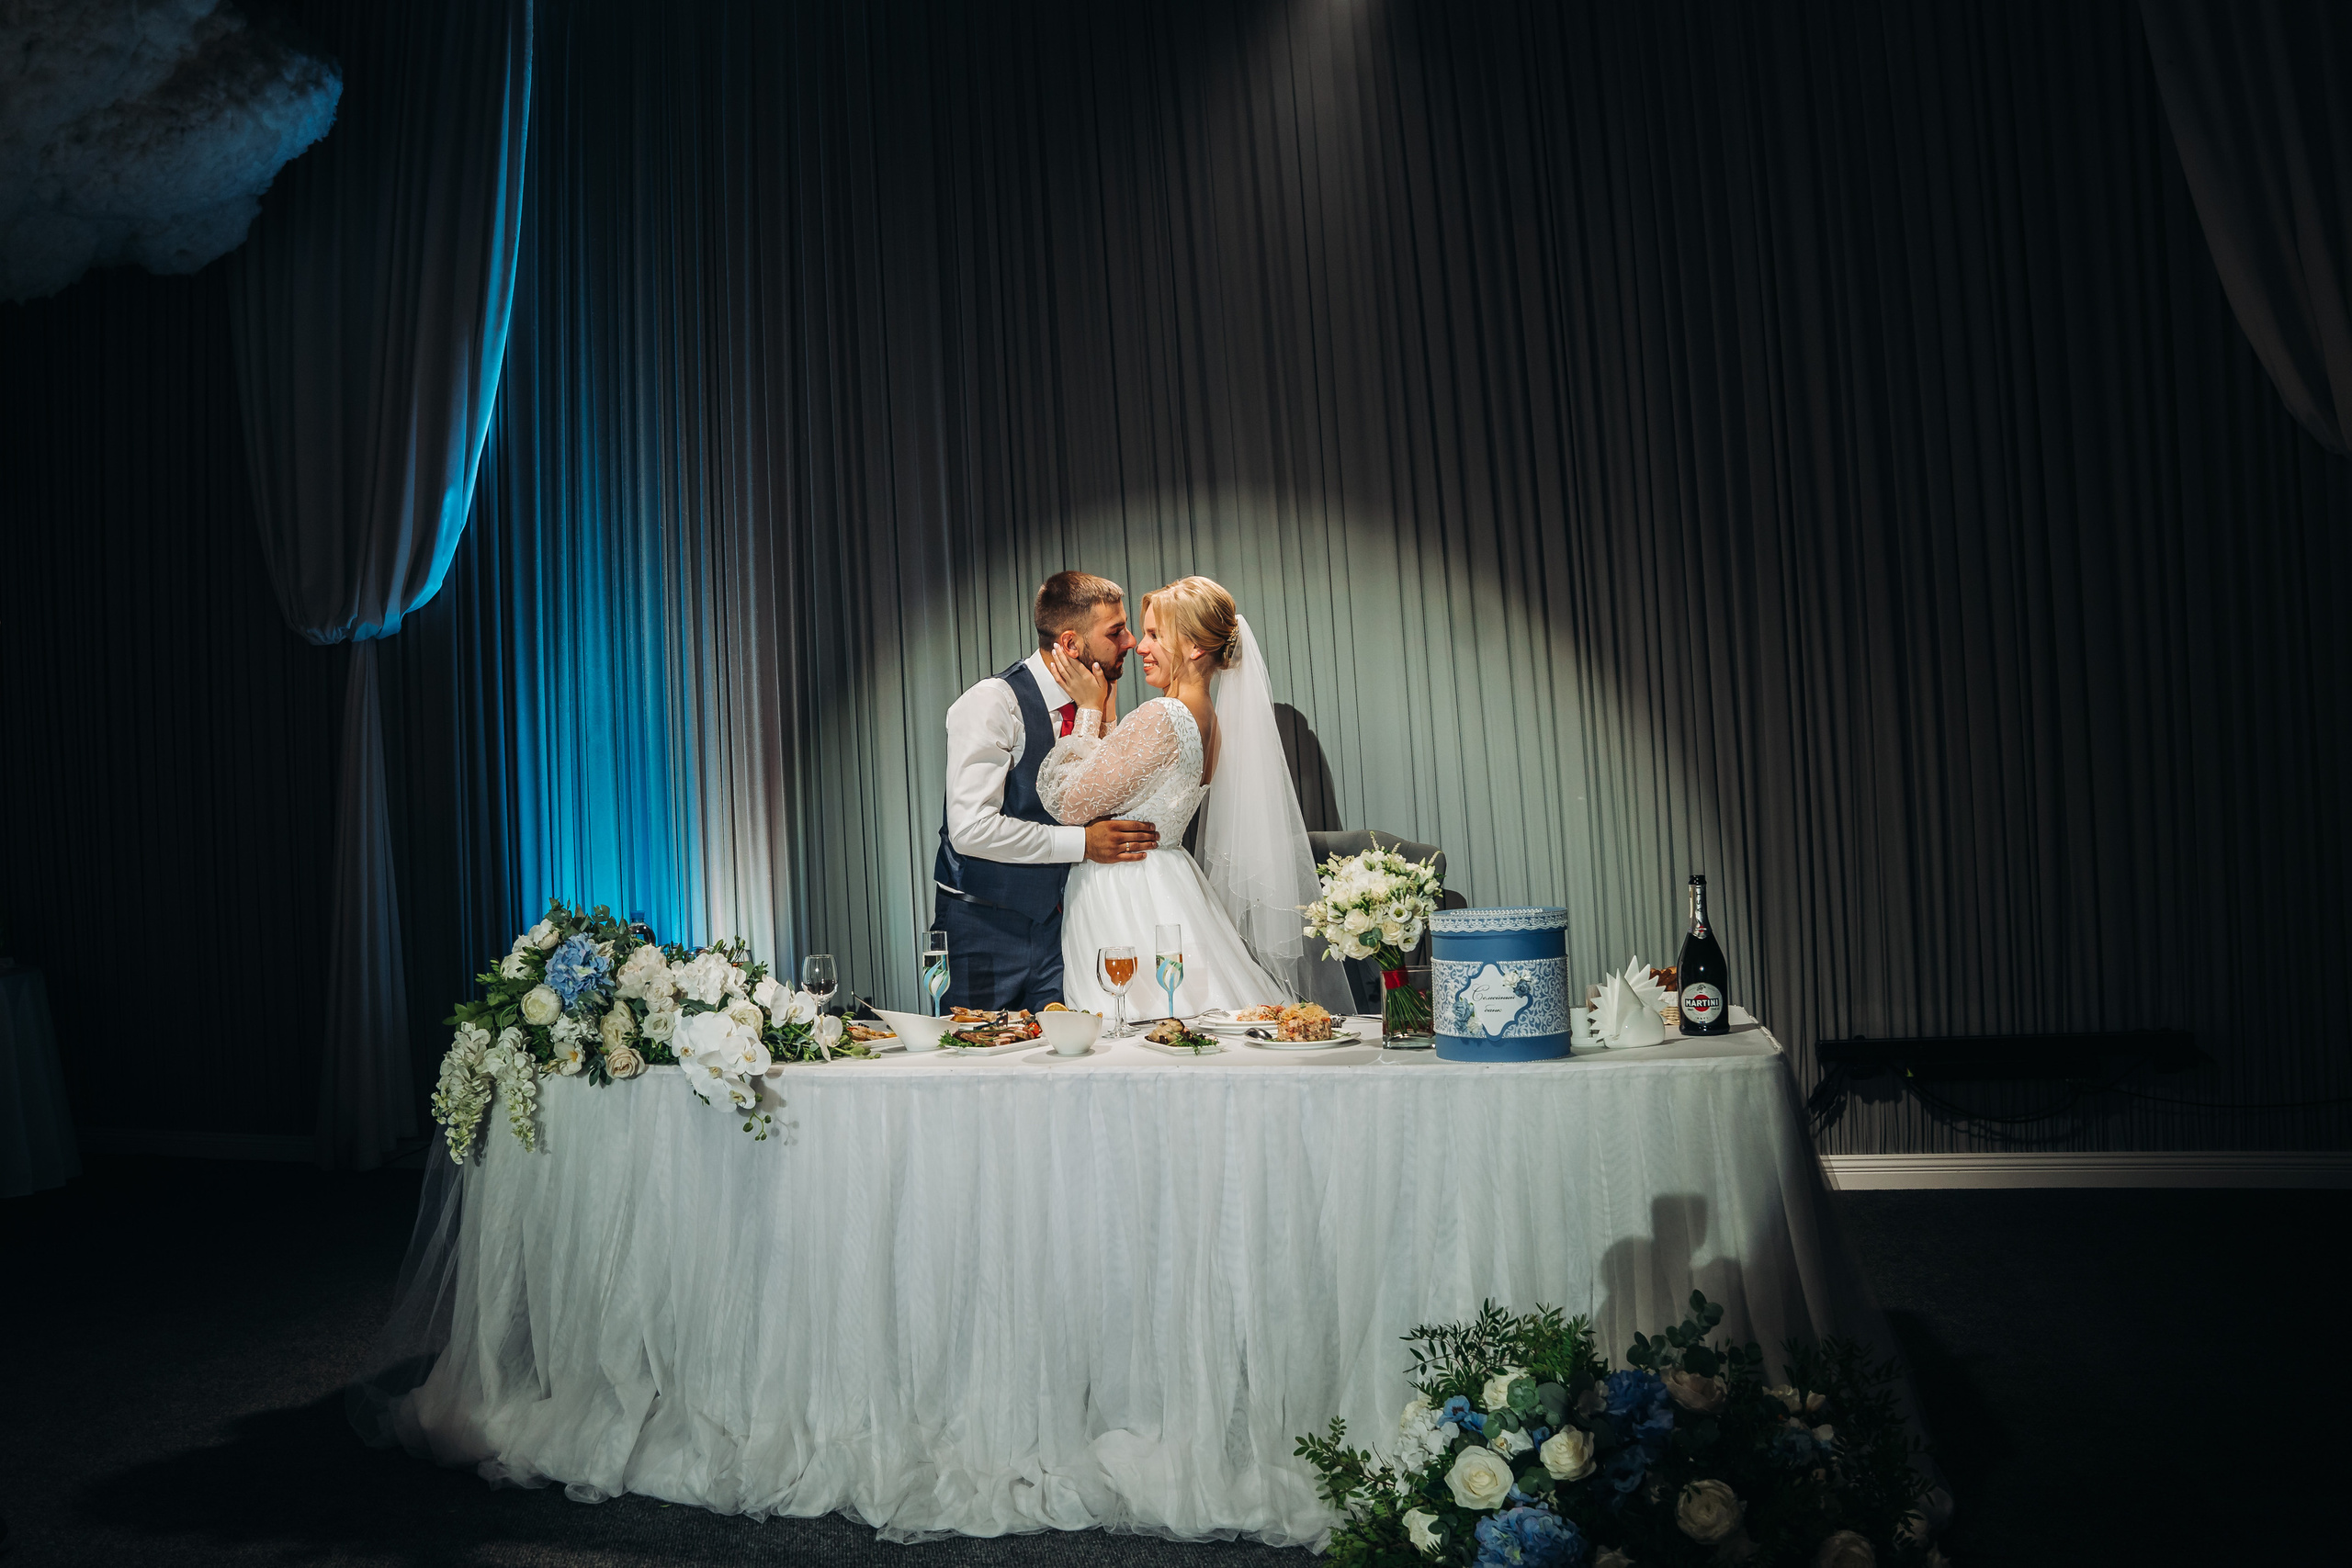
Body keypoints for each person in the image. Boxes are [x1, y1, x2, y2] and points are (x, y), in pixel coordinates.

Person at [1038, 575, 1354, 1017]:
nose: (1140, 647)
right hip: (1165, 878)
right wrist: (1109, 714)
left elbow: (1068, 804)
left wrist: (1089, 711)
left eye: (1153, 635)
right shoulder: (1206, 717)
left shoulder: (1163, 715)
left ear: (1194, 647)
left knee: (1134, 1022)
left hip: (1127, 890)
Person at [933, 570, 1161, 1011]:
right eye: (1116, 631)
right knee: (979, 1069)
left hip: (1067, 930)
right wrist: (1083, 844)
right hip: (984, 929)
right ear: (1072, 645)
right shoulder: (993, 703)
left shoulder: (1096, 702)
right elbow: (971, 830)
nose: (1131, 641)